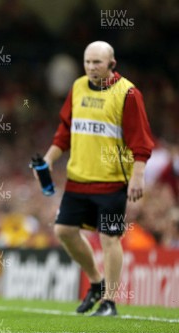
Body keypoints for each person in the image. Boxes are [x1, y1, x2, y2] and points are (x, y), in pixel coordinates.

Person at [38, 41, 155, 316]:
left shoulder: (128, 93)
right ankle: (96, 282)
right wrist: (48, 159)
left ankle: (110, 302)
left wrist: (138, 177)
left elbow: (141, 141)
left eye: (97, 63)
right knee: (63, 231)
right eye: (87, 62)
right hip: (78, 178)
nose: (91, 67)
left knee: (109, 237)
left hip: (113, 181)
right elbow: (65, 131)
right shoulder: (78, 87)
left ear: (112, 64)